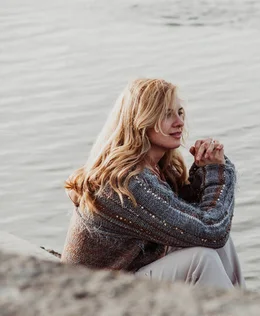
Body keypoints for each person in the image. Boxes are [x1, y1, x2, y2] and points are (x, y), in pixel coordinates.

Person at [61, 78, 244, 290]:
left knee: (218, 246)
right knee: (202, 259)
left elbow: (186, 220)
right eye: (167, 114)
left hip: (123, 278)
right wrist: (218, 172)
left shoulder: (154, 168)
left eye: (180, 112)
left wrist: (206, 168)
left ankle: (245, 312)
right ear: (142, 120)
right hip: (91, 295)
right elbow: (211, 231)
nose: (179, 122)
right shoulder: (129, 182)